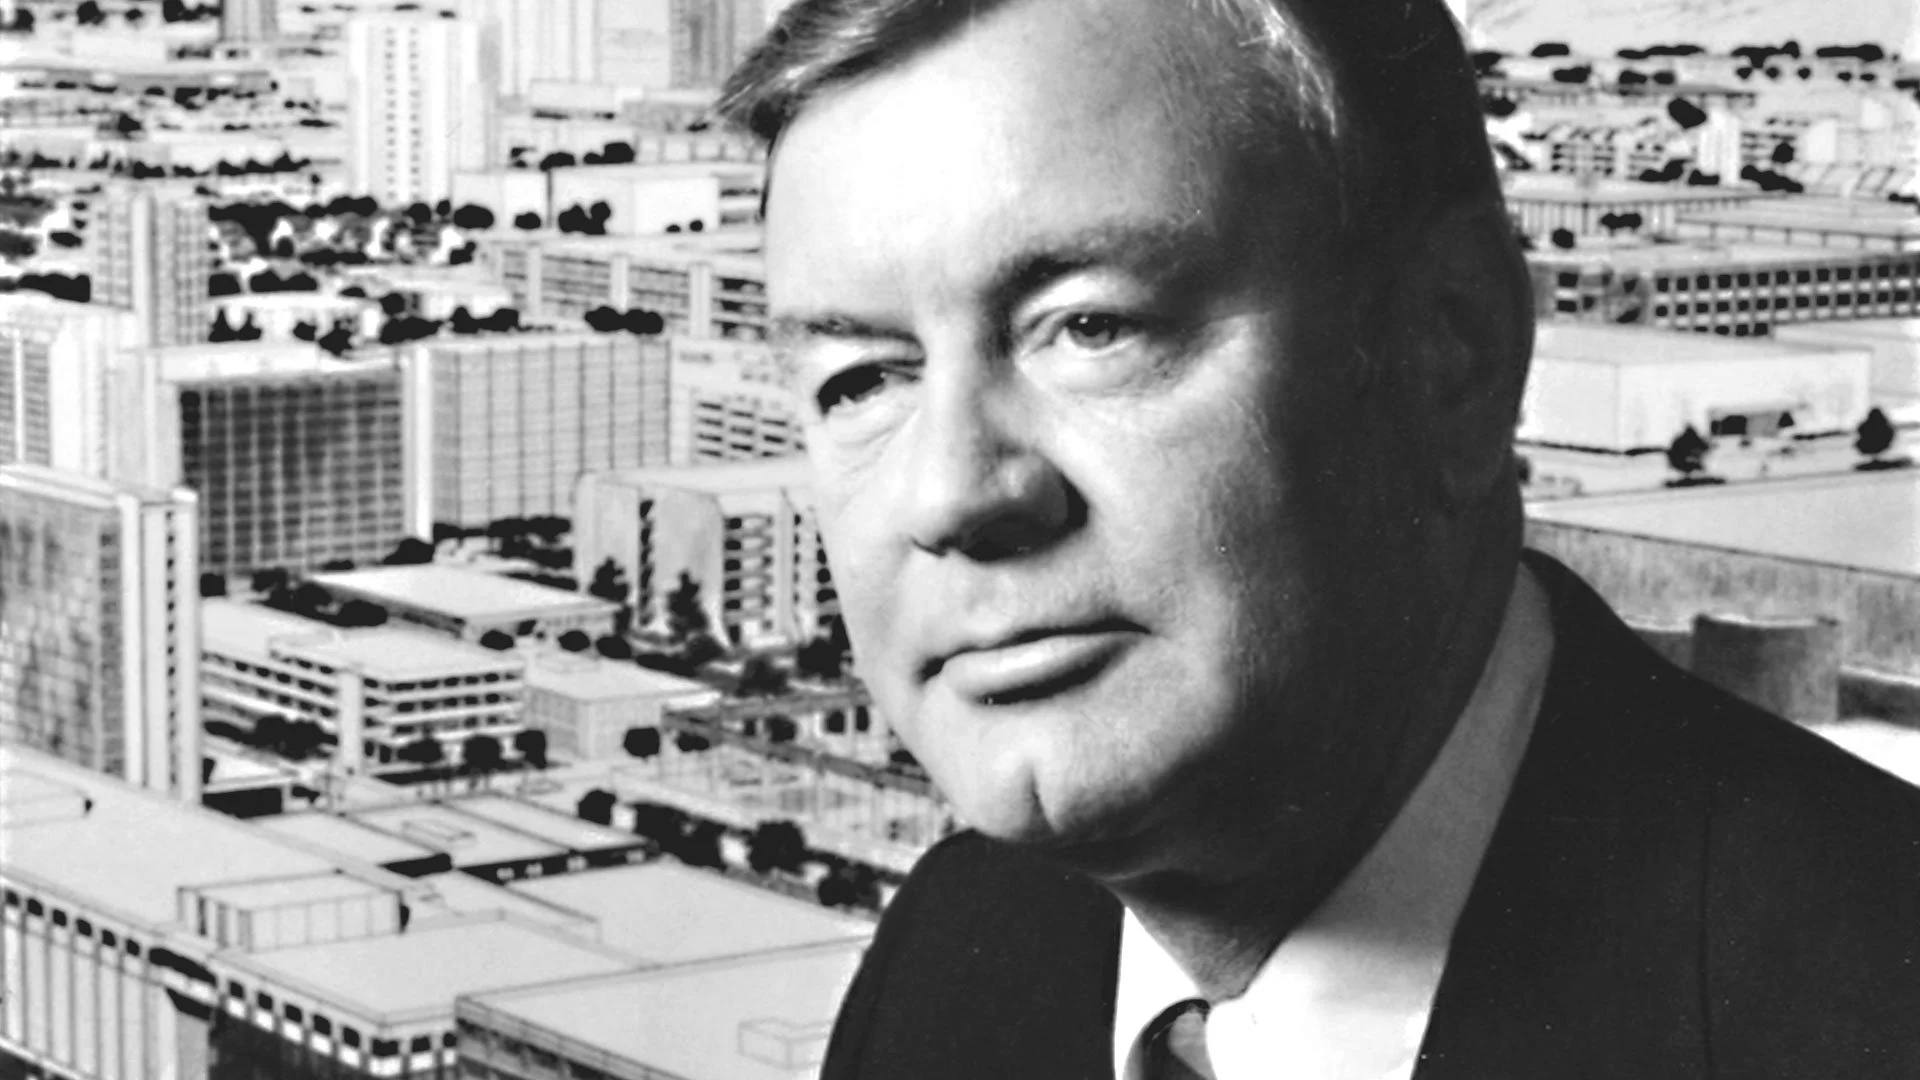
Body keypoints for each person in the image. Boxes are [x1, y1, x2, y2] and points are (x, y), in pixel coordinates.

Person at [720, 0, 1920, 1076]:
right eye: (860, 379)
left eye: (1089, 327)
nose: (951, 495)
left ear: (1452, 353)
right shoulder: (954, 951)